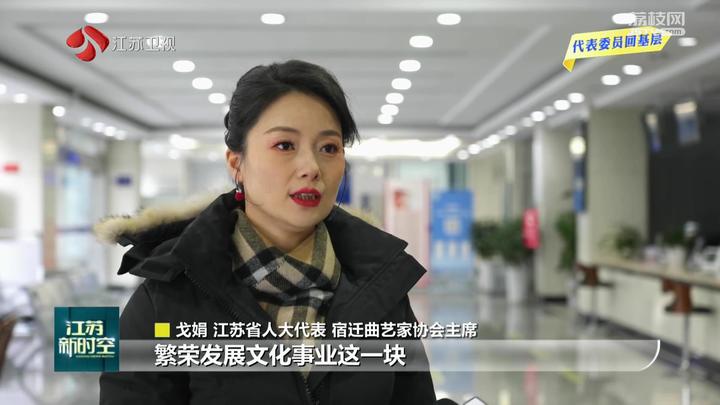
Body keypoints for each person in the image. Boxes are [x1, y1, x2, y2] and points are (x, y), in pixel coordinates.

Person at [96, 59, 436, 404]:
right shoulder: (166, 298)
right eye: (285, 145)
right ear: (237, 163)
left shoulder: (380, 287)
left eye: (329, 148)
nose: (311, 168)